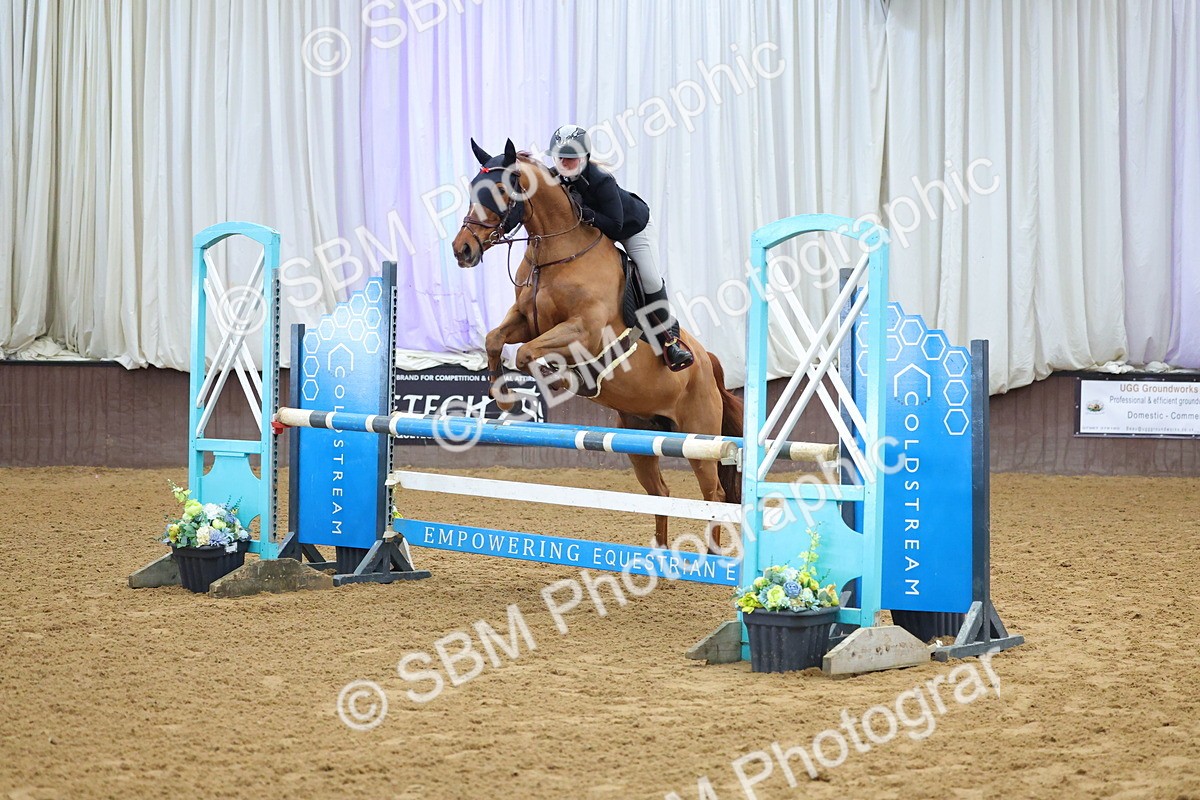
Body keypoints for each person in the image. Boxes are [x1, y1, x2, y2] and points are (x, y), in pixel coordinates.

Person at [546, 124, 694, 372]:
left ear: (584, 158)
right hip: (596, 233)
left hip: (633, 228)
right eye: (561, 157)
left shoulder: (601, 181)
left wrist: (586, 213)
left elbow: (615, 226)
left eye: (571, 159)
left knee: (648, 277)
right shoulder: (554, 176)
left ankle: (670, 341)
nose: (565, 163)